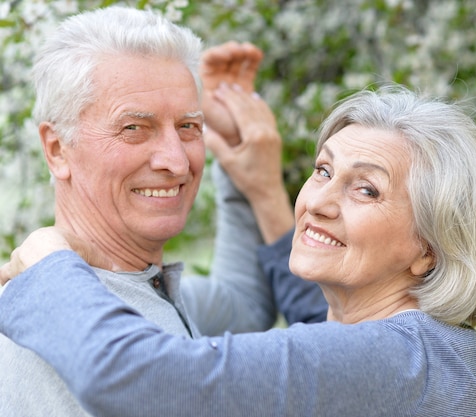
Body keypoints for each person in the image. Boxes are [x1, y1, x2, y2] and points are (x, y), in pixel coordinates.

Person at [0, 83, 476, 416]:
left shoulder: (398, 362)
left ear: (429, 250)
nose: (318, 201)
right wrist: (261, 190)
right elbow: (310, 314)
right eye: (323, 171)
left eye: (366, 189)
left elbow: (147, 380)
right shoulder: (422, 347)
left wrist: (49, 263)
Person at [0, 7, 325, 417]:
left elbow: (244, 306)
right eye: (134, 128)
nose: (177, 160)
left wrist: (239, 156)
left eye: (189, 127)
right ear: (56, 148)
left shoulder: (142, 286)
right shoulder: (53, 325)